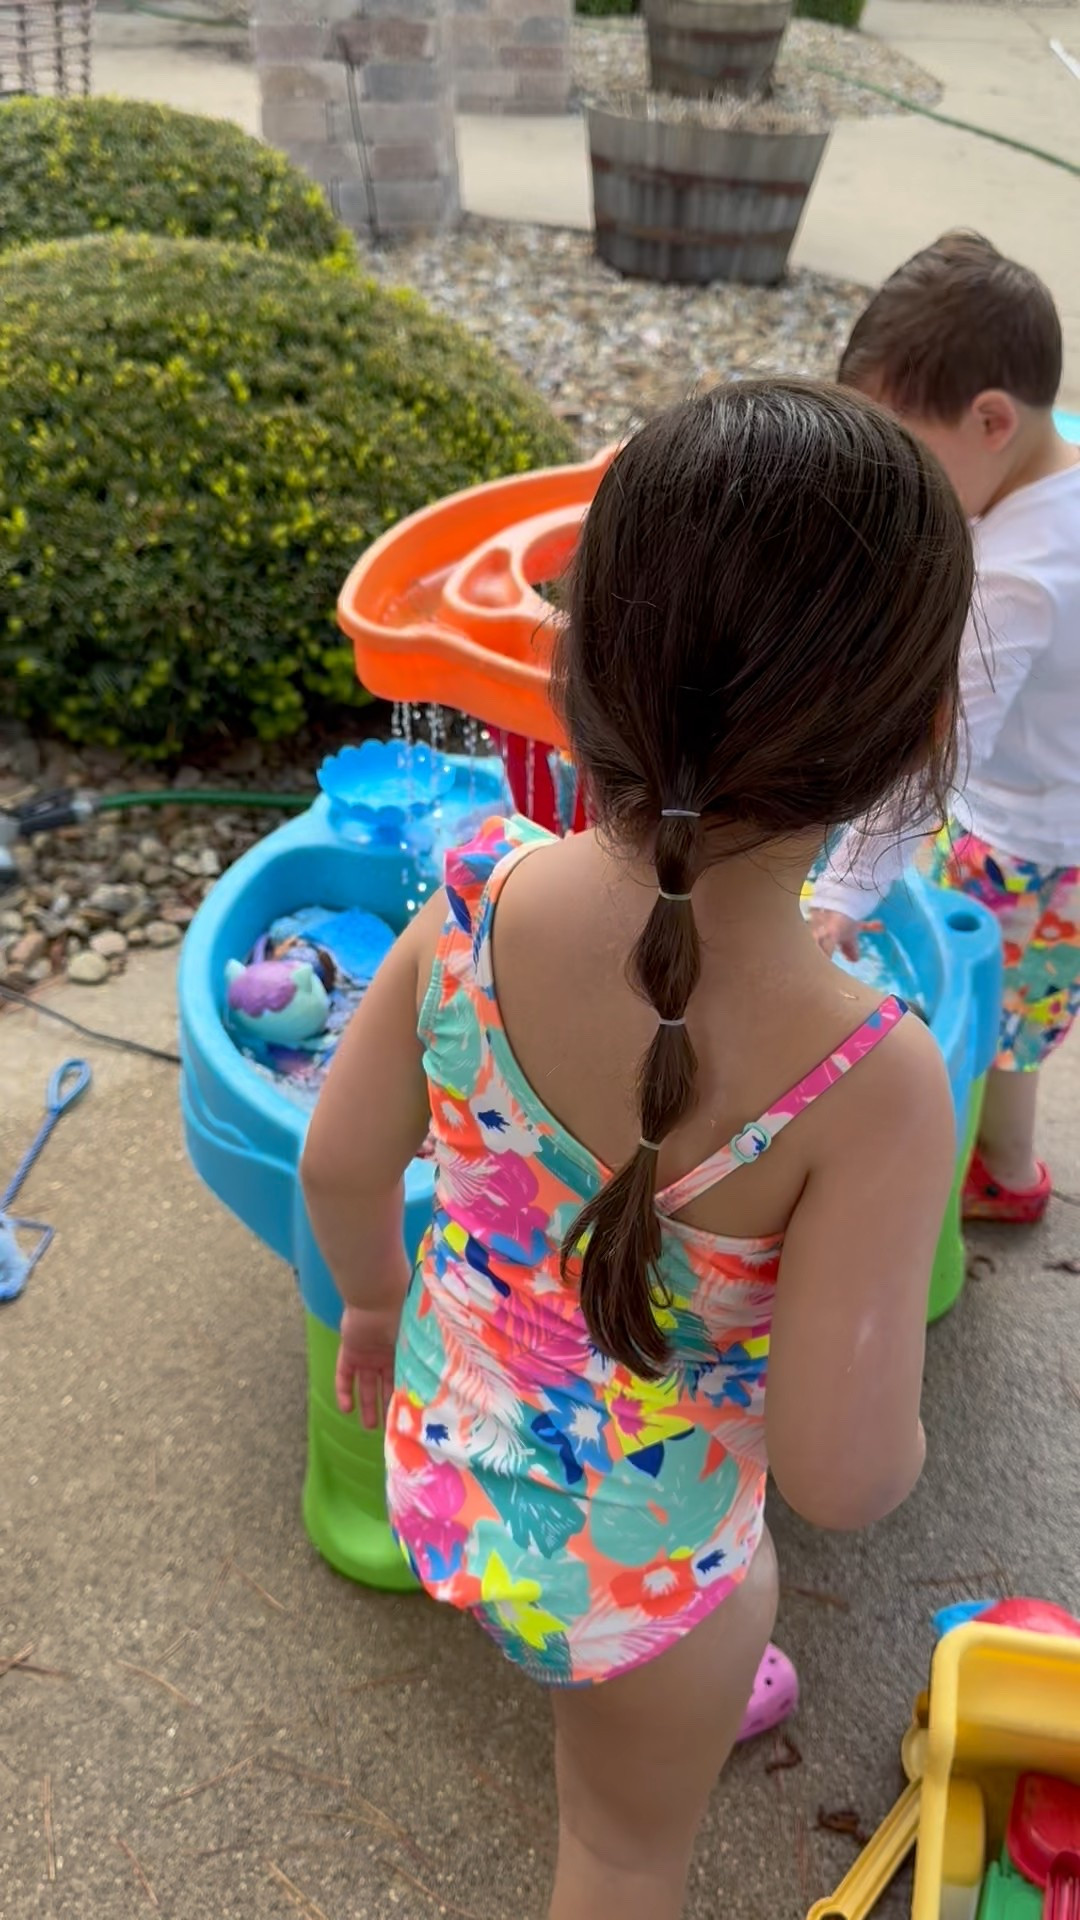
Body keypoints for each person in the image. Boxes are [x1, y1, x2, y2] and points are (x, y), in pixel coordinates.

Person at [301, 381, 971, 1920]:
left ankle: (609, 1658)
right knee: (618, 1848)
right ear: (917, 740)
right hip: (646, 1588)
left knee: (624, 1667)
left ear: (577, 668)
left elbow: (338, 1165)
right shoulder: (870, 1083)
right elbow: (841, 1473)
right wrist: (906, 1443)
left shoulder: (475, 891)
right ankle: (669, 1678)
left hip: (445, 1473)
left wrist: (374, 1309)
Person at [810, 233, 1080, 1223]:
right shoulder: (1053, 465)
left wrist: (844, 890)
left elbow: (936, 751)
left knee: (979, 1017)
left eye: (908, 452)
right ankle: (1005, 1162)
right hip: (1059, 814)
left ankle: (994, 1174)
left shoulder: (1015, 580)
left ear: (991, 420)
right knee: (1022, 1010)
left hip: (1024, 841)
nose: (899, 479)